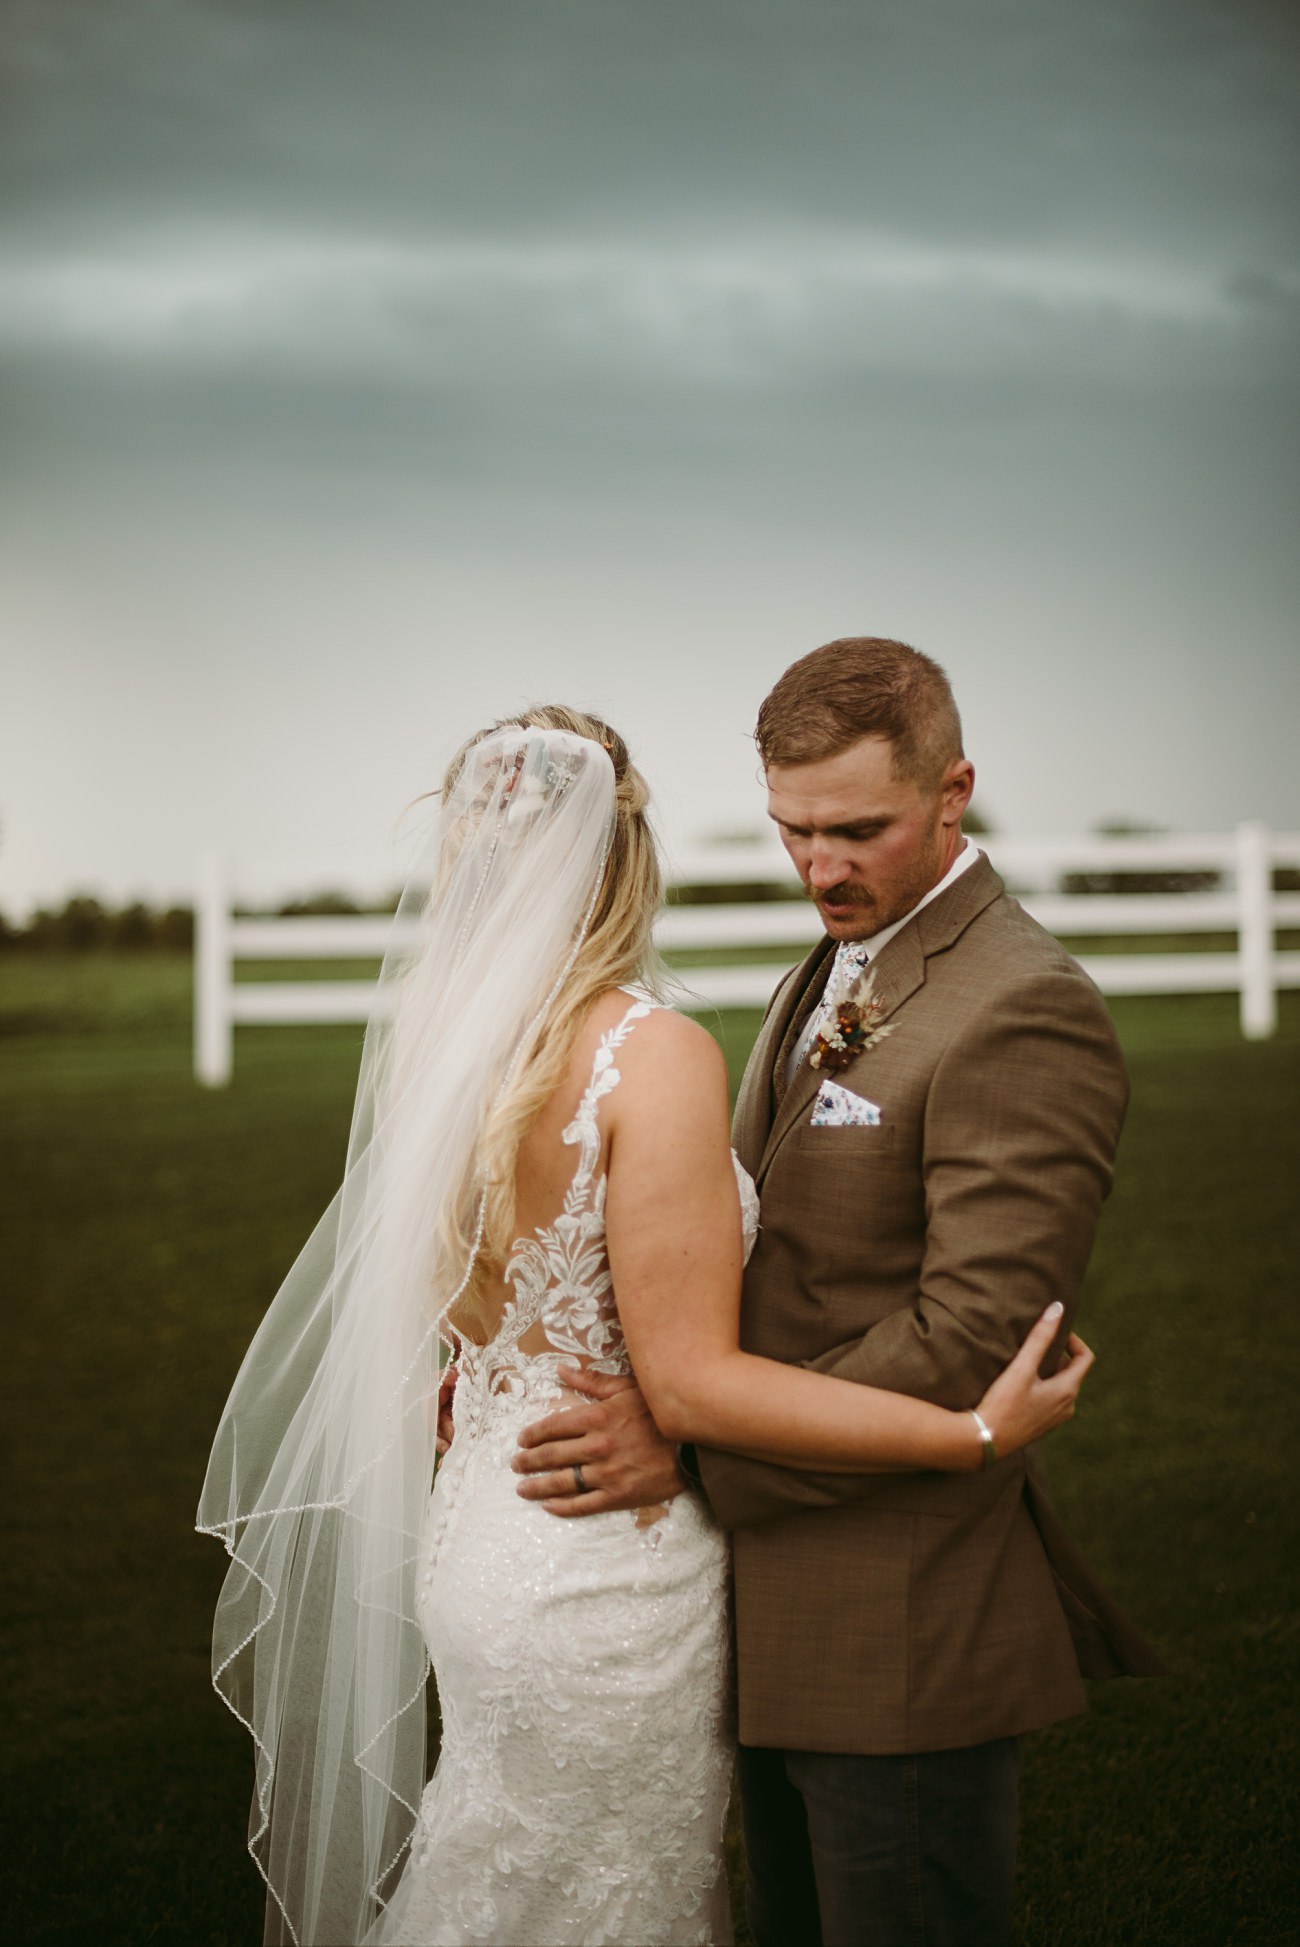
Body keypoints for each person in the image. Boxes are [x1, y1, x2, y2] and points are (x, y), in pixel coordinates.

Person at [199, 702, 1095, 1947]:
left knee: (501, 1866)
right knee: (600, 1889)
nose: (814, 860)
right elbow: (686, 1388)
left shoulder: (442, 1052)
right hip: (599, 1563)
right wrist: (973, 1439)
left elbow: (468, 1318)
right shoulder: (649, 1051)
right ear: (630, 856)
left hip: (486, 1535)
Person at [513, 645, 1162, 1947]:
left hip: (900, 1618)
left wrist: (688, 1432)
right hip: (765, 1601)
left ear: (952, 789)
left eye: (857, 828)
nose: (822, 867)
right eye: (793, 831)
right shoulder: (825, 965)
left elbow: (976, 1338)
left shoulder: (1023, 1004)